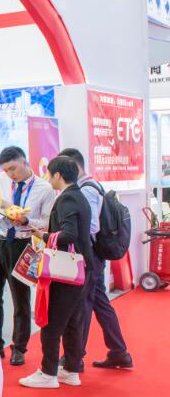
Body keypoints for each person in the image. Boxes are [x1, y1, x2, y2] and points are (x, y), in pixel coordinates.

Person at [20, 155, 96, 389]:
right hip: (81, 269)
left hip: (66, 270)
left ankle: (48, 372)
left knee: (51, 321)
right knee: (73, 322)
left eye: (49, 174)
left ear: (58, 175)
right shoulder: (79, 196)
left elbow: (69, 234)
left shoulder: (66, 199)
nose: (47, 178)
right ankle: (71, 370)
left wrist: (42, 235)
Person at [58, 147, 134, 370]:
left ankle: (75, 357)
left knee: (83, 305)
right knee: (100, 303)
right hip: (93, 255)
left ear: (74, 166)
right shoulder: (90, 186)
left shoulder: (87, 190)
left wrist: (68, 231)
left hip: (89, 255)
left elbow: (92, 226)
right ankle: (119, 352)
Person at [0, 146, 55, 366]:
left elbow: (47, 222)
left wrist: (26, 220)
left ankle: (19, 347)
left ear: (24, 162)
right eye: (6, 170)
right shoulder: (0, 180)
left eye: (13, 168)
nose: (10, 174)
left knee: (20, 299)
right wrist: (4, 208)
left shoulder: (44, 189)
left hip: (22, 244)